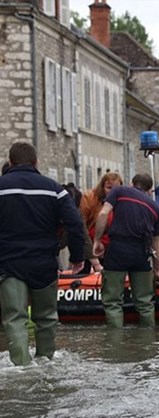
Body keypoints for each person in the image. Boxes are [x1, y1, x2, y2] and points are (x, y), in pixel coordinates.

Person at [0, 142, 85, 366]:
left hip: (9, 263)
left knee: (15, 319)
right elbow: (75, 224)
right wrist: (77, 258)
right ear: (36, 162)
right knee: (46, 319)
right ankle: (46, 364)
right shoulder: (54, 189)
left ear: (10, 162)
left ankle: (22, 368)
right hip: (44, 263)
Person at [92, 173, 159, 328]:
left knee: (113, 302)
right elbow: (157, 244)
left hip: (118, 249)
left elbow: (104, 213)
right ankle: (148, 343)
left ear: (133, 184)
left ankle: (115, 345)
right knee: (145, 303)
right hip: (142, 254)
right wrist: (157, 270)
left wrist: (97, 240)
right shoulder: (156, 208)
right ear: (149, 190)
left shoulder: (119, 191)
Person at [80, 172, 123, 272]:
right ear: (102, 186)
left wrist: (103, 242)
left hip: (109, 247)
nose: (112, 192)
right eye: (109, 188)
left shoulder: (121, 202)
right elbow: (82, 228)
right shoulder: (89, 198)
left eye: (116, 189)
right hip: (87, 245)